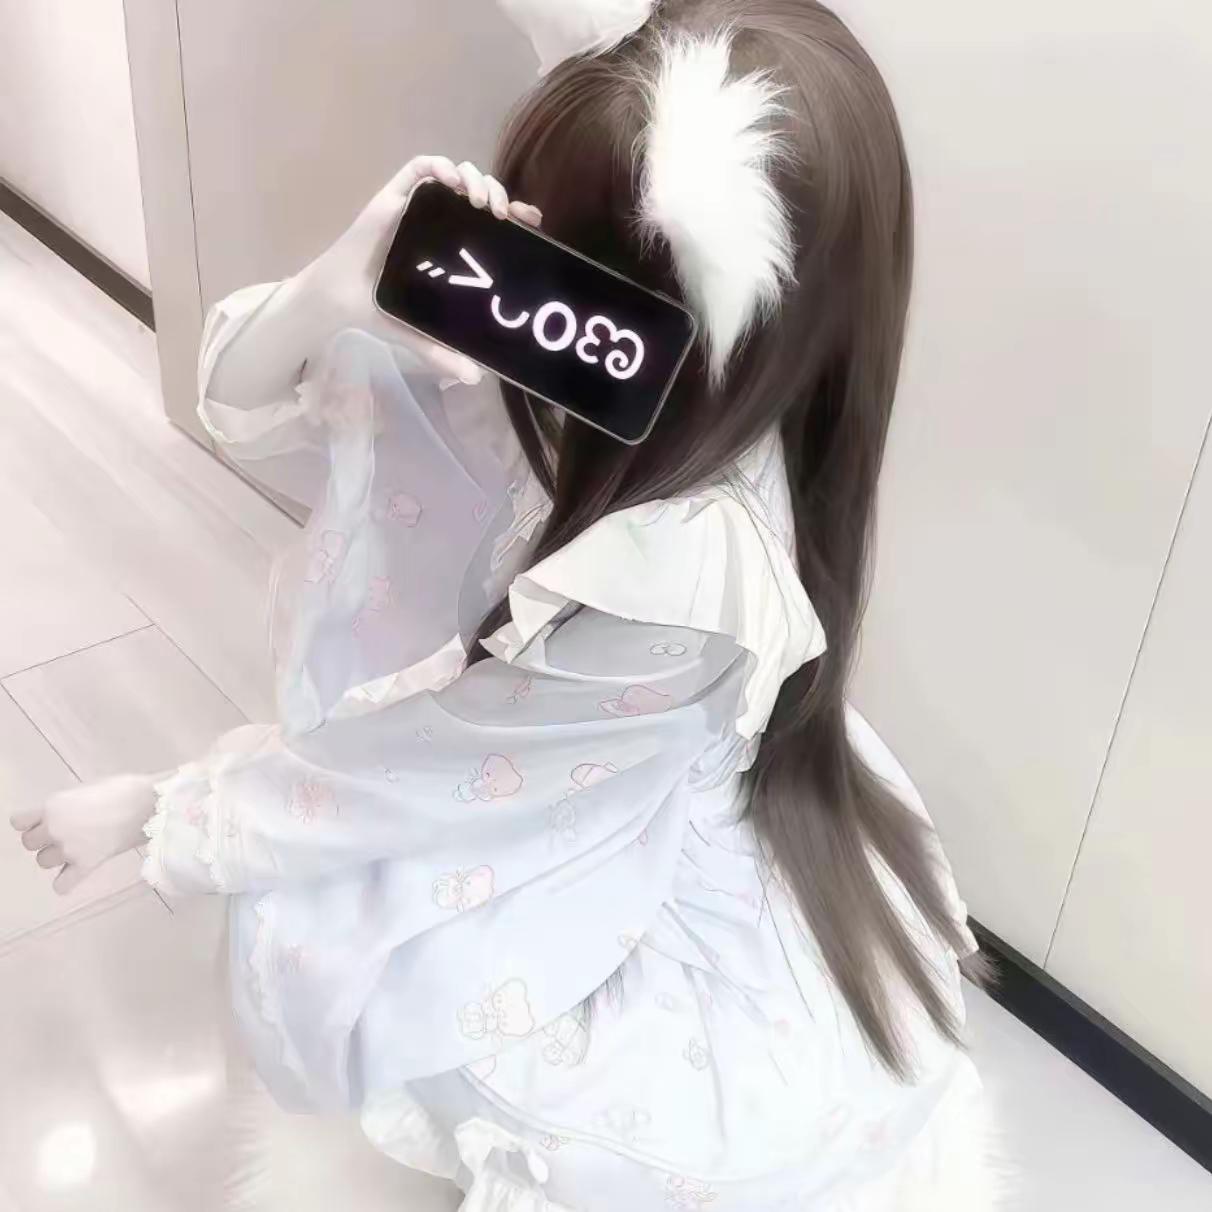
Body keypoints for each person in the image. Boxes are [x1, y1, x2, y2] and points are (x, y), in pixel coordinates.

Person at [11, 1, 1001, 1207]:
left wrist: (169, 813)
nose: (522, 287)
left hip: (597, 819)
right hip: (544, 741)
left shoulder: (681, 583)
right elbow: (243, 395)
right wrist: (328, 295)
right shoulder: (650, 388)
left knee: (375, 951)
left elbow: (424, 768)